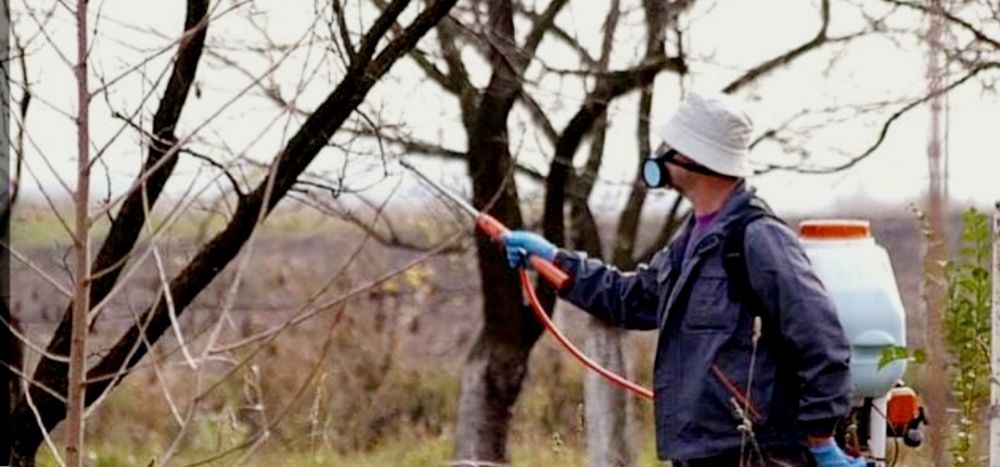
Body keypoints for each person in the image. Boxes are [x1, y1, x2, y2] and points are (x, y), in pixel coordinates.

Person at [502, 93, 864, 467]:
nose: (662, 154)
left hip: (754, 453)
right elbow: (629, 298)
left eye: (671, 146)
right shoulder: (690, 241)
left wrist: (821, 440)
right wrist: (554, 260)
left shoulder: (758, 238)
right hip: (700, 453)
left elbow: (821, 339)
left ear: (696, 158)